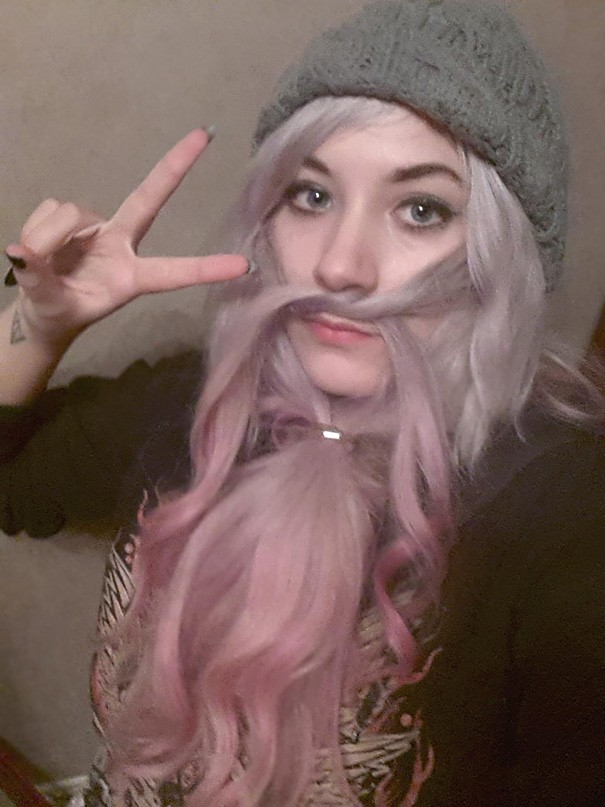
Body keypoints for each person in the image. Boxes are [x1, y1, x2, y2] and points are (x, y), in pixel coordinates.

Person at [1, 1, 604, 805]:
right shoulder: (194, 397)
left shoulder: (562, 514)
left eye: (421, 209)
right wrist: (38, 325)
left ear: (502, 253)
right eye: (312, 195)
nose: (339, 266)